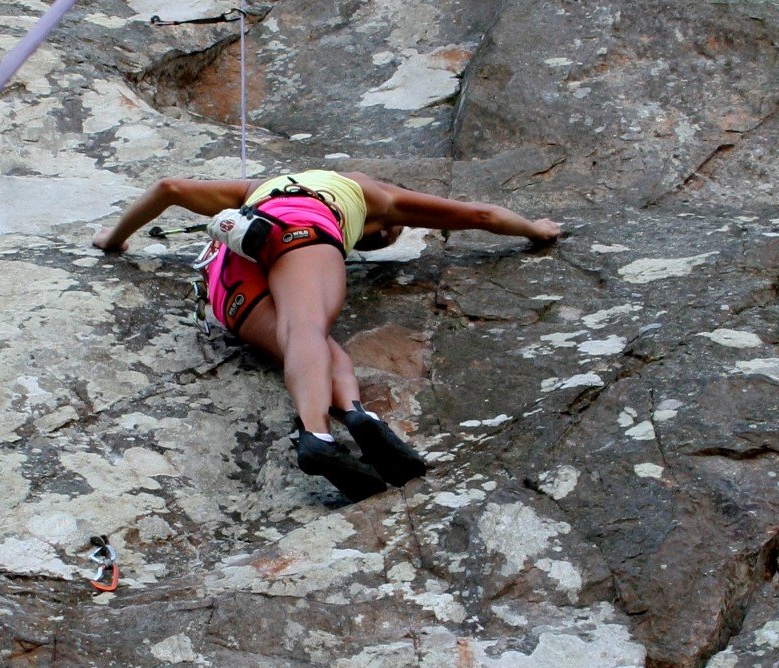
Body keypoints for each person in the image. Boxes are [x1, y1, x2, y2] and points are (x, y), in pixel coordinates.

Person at [93, 168, 561, 500]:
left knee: (307, 341)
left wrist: (114, 238)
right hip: (301, 231)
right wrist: (535, 229)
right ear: (382, 223)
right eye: (388, 234)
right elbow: (480, 215)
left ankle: (358, 415)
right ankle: (318, 433)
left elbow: (169, 188)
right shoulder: (374, 194)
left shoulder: (257, 187)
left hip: (226, 280)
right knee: (307, 328)